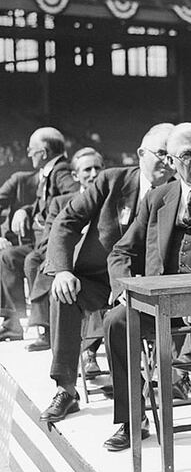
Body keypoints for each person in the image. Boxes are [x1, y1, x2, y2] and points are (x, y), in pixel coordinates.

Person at [38, 124, 174, 424]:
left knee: (121, 320)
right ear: (141, 153)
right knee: (63, 294)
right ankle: (66, 389)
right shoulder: (111, 181)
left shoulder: (176, 190)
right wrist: (61, 270)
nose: (168, 162)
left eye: (173, 156)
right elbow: (66, 221)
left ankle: (144, 400)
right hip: (98, 279)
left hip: (147, 285)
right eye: (162, 154)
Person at [103, 123, 191, 451]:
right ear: (171, 162)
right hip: (163, 300)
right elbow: (122, 250)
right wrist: (123, 289)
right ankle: (132, 419)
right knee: (117, 321)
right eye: (186, 155)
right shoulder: (158, 198)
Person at [0, 127, 78, 341]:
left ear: (43, 152)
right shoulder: (48, 173)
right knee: (8, 257)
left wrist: (52, 214)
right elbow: (40, 204)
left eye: (31, 150)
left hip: (55, 243)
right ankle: (12, 322)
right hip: (40, 241)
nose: (28, 154)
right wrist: (25, 211)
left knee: (33, 261)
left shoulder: (61, 170)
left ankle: (47, 328)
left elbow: (74, 196)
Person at [25, 147, 105, 352]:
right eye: (87, 170)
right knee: (44, 266)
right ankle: (48, 330)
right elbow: (50, 239)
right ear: (75, 175)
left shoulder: (109, 202)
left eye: (98, 168)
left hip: (98, 264)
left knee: (86, 280)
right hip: (66, 261)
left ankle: (89, 352)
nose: (94, 174)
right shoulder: (60, 203)